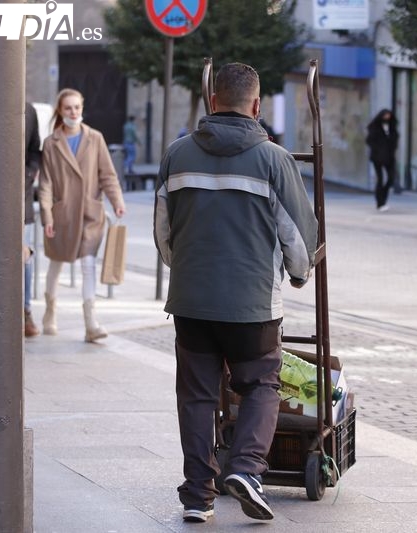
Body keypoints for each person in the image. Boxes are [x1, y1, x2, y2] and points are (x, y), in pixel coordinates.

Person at [153, 62, 318, 523]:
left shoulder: (176, 155)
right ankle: (246, 468)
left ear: (211, 101)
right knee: (262, 384)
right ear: (257, 105)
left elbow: (163, 234)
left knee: (197, 396)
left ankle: (196, 497)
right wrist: (299, 274)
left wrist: (187, 269)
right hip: (252, 306)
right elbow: (299, 243)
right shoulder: (274, 160)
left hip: (191, 300)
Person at [37, 88, 126, 343]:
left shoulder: (95, 138)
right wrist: (47, 217)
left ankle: (91, 323)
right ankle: (50, 311)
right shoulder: (51, 143)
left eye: (77, 107)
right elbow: (45, 184)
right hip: (62, 214)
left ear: (82, 108)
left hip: (89, 213)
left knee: (88, 265)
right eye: (68, 108)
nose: (73, 112)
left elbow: (107, 175)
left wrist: (116, 201)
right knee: (56, 263)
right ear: (60, 111)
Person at [24, 101, 42, 337]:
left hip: (22, 197)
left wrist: (28, 172)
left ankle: (25, 310)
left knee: (24, 255)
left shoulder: (28, 110)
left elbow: (35, 149)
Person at [365, 108, 399, 211]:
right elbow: (369, 140)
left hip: (389, 157)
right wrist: (378, 149)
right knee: (380, 179)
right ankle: (380, 202)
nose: (387, 118)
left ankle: (383, 197)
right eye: (385, 116)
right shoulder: (374, 127)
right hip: (378, 157)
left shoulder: (392, 127)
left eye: (388, 116)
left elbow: (394, 140)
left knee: (391, 178)